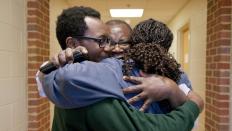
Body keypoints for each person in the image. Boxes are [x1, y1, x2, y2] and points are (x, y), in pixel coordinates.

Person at [38, 6, 204, 131]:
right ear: (73, 45)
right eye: (104, 40)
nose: (113, 48)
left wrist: (172, 89)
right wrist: (193, 105)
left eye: (123, 43)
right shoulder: (87, 89)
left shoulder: (171, 73)